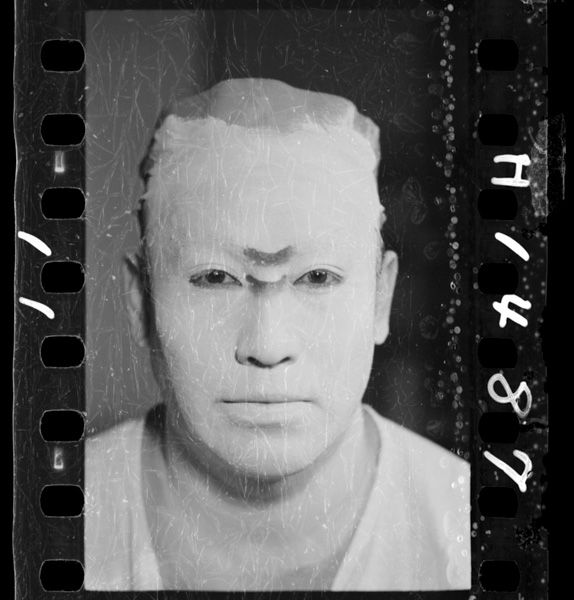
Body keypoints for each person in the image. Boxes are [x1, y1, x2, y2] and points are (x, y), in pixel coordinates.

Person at [84, 78, 470, 591]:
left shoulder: (468, 531)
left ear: (381, 299)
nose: (268, 348)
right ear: (141, 301)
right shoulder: (59, 517)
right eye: (215, 277)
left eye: (318, 277)